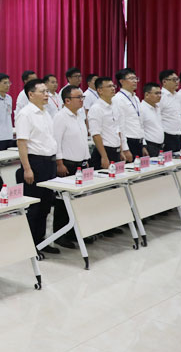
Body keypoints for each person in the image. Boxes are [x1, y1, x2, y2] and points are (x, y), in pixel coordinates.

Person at [15, 79, 59, 253]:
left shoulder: (46, 113)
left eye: (47, 91)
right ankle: (30, 246)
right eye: (43, 92)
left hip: (49, 162)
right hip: (35, 163)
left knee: (46, 205)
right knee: (34, 207)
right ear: (31, 94)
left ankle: (41, 241)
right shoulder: (26, 114)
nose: (47, 94)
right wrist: (27, 168)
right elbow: (22, 143)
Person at [52, 86, 89, 250]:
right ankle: (60, 235)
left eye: (82, 97)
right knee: (63, 202)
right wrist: (59, 163)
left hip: (81, 163)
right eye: (78, 97)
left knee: (78, 200)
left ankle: (74, 232)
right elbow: (56, 141)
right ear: (67, 100)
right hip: (67, 164)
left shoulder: (79, 115)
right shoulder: (60, 117)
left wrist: (86, 159)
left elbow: (83, 140)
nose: (82, 100)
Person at [87, 77, 131, 170]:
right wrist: (104, 156)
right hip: (104, 151)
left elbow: (117, 129)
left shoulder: (114, 105)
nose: (113, 88)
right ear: (100, 90)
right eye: (109, 86)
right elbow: (96, 134)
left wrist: (121, 150)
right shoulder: (96, 108)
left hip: (116, 149)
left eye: (113, 86)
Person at [114, 68, 147, 158]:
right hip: (129, 141)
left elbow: (140, 123)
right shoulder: (118, 99)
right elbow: (120, 125)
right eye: (131, 78)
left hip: (139, 141)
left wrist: (143, 144)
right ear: (122, 81)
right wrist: (125, 149)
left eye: (135, 78)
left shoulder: (136, 98)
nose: (135, 81)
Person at [157, 70, 181, 153]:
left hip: (177, 134)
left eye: (177, 79)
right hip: (166, 135)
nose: (177, 82)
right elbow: (156, 116)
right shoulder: (160, 96)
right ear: (164, 82)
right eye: (174, 80)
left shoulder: (177, 95)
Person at [140, 83, 164, 157]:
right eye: (156, 93)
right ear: (147, 95)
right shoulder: (141, 108)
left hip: (160, 145)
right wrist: (143, 146)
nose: (159, 96)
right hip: (149, 145)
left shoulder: (157, 107)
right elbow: (140, 128)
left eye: (160, 93)